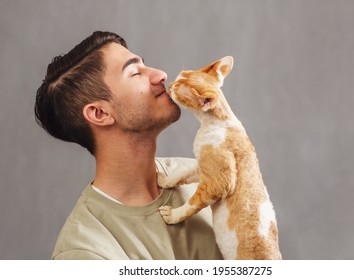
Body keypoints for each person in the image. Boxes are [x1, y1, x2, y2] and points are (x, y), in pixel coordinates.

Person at [35, 31, 223, 260]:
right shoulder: (84, 251)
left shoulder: (204, 178)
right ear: (100, 113)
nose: (161, 75)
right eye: (135, 72)